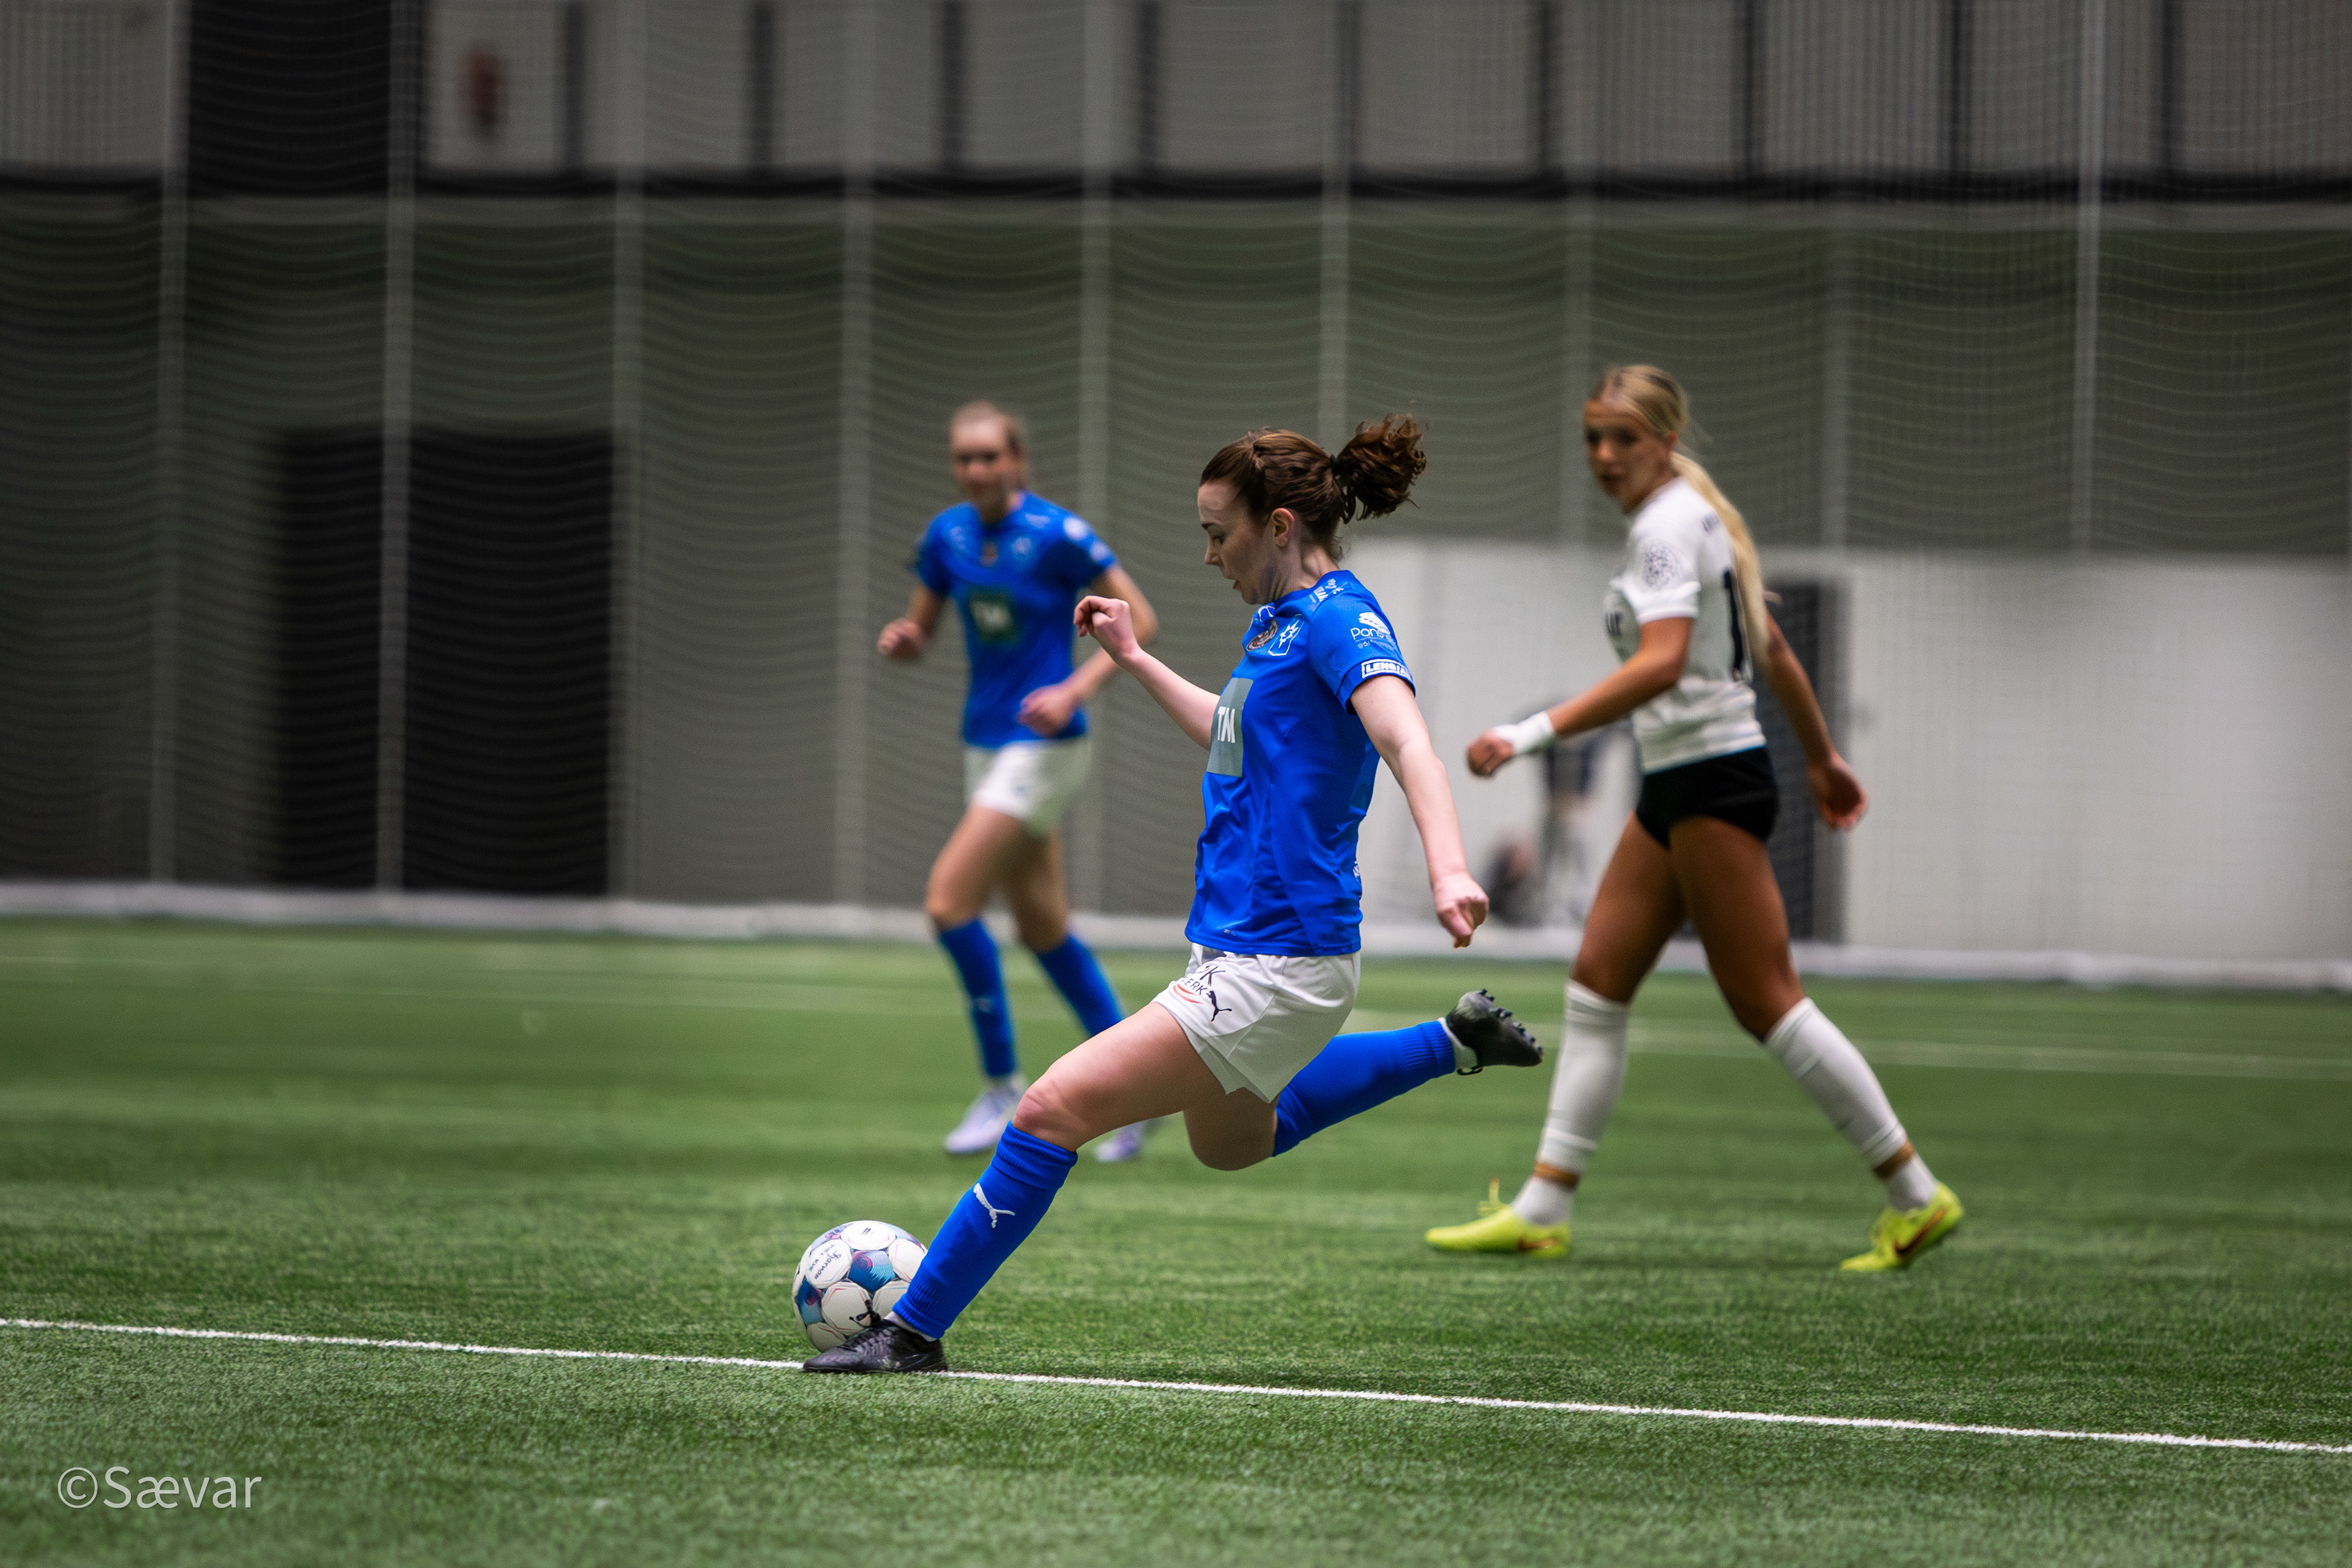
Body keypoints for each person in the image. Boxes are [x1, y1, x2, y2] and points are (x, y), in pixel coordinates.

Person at [810, 416, 1545, 1373]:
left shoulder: (1341, 621)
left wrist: (1449, 868)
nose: (1208, 556)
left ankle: (911, 1331)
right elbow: (1234, 734)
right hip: (1252, 949)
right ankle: (1454, 1041)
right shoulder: (1279, 621)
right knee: (1233, 1143)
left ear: (1278, 526)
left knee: (1048, 1110)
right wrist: (1133, 658)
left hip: (1277, 960)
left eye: (1217, 534)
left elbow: (1407, 741)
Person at [1424, 366, 1962, 1273]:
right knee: (1597, 985)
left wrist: (1529, 733)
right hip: (1680, 783)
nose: (1604, 455)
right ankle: (1543, 1209)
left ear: (1666, 442)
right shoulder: (1690, 519)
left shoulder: (1668, 528)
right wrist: (1823, 757)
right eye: (1593, 437)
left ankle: (1917, 1194)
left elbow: (1663, 664)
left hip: (1712, 782)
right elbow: (1773, 648)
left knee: (1767, 1002)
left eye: (1624, 438)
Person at [880, 402, 1163, 1161]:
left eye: (989, 456)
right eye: (963, 458)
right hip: (984, 741)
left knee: (948, 904)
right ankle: (1141, 1092)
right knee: (1042, 928)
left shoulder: (1057, 534)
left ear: (1017, 461)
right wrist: (906, 640)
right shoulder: (946, 536)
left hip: (1044, 744)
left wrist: (1074, 689)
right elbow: (922, 628)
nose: (975, 469)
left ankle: (1002, 1084)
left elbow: (1141, 618)